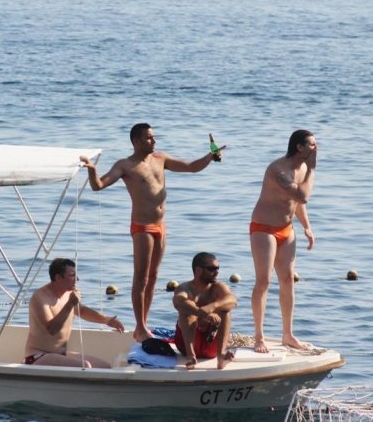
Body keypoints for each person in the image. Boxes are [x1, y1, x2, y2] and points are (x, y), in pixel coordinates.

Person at [80, 123, 224, 342]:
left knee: (154, 277)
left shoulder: (160, 159)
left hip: (161, 226)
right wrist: (92, 170)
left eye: (154, 137)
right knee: (141, 278)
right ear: (136, 141)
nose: (154, 141)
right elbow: (98, 185)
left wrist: (210, 157)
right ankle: (140, 327)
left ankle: (144, 325)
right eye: (149, 138)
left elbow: (191, 167)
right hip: (143, 227)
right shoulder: (126, 165)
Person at [250, 130, 317, 353]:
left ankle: (287, 334)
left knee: (287, 280)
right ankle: (259, 336)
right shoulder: (278, 170)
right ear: (299, 147)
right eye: (312, 145)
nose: (316, 148)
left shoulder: (303, 168)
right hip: (264, 229)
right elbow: (302, 195)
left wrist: (307, 227)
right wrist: (313, 169)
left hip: (286, 229)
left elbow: (297, 203)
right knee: (264, 281)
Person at [24, 258, 125, 368]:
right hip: (37, 356)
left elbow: (81, 310)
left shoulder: (68, 294)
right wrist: (70, 304)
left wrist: (106, 320)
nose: (77, 279)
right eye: (72, 275)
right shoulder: (40, 298)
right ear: (58, 278)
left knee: (105, 367)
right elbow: (51, 329)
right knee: (85, 366)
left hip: (60, 354)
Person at [172, 252, 237, 370]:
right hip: (186, 345)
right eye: (212, 269)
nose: (216, 272)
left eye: (217, 268)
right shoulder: (185, 288)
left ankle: (221, 356)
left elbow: (232, 300)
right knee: (187, 311)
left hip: (211, 343)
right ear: (198, 270)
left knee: (226, 310)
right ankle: (191, 357)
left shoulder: (218, 287)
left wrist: (212, 307)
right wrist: (199, 312)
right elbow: (178, 302)